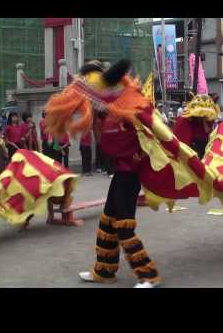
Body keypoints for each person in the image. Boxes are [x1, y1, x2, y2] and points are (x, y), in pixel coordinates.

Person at [45, 59, 161, 288]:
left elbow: (148, 138)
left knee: (124, 225)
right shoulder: (108, 115)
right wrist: (99, 115)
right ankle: (104, 270)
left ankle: (148, 275)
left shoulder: (131, 111)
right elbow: (105, 141)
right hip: (119, 174)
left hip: (130, 175)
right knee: (108, 222)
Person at [173, 93, 219, 159]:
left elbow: (207, 130)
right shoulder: (189, 117)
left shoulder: (207, 117)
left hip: (201, 141)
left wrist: (203, 119)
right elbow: (207, 130)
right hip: (197, 141)